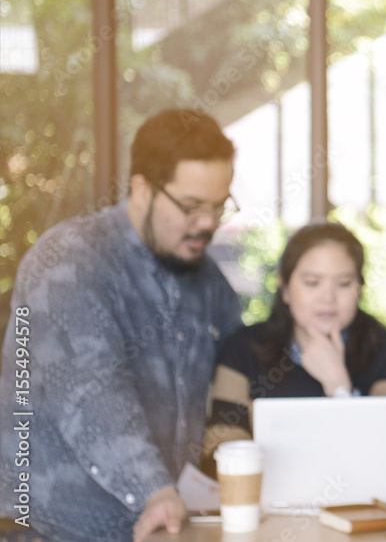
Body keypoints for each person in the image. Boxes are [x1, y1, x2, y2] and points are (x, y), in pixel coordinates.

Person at [0, 108, 243, 542]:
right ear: (142, 189)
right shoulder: (69, 262)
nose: (207, 223)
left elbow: (237, 386)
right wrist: (154, 490)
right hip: (47, 530)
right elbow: (91, 393)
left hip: (156, 530)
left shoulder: (213, 288)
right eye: (191, 207)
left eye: (219, 206)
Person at [203, 221, 386, 465]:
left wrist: (338, 386)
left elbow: (384, 454)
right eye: (312, 283)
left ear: (360, 289)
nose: (328, 298)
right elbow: (219, 446)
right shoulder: (243, 347)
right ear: (285, 289)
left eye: (343, 284)